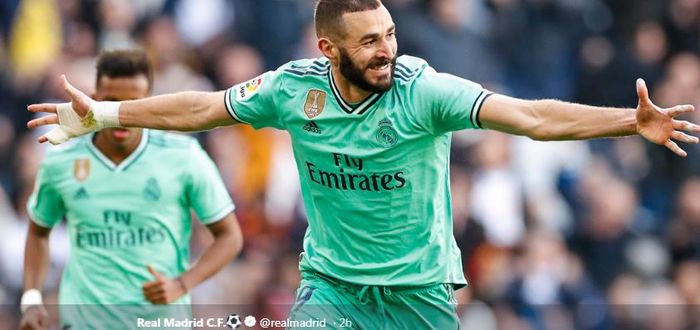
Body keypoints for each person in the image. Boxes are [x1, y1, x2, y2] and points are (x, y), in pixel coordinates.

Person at [26, 1, 700, 328]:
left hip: (420, 294)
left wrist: (627, 122)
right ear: (329, 48)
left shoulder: (422, 90)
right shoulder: (294, 89)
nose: (387, 49)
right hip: (334, 288)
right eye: (370, 41)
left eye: (390, 35)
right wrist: (105, 116)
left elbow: (529, 116)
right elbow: (202, 108)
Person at [21, 49, 243, 330]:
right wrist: (31, 299)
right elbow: (38, 232)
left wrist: (182, 283)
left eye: (131, 104)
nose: (120, 115)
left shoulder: (184, 156)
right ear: (94, 99)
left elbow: (230, 236)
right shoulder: (61, 160)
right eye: (111, 102)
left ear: (149, 103)